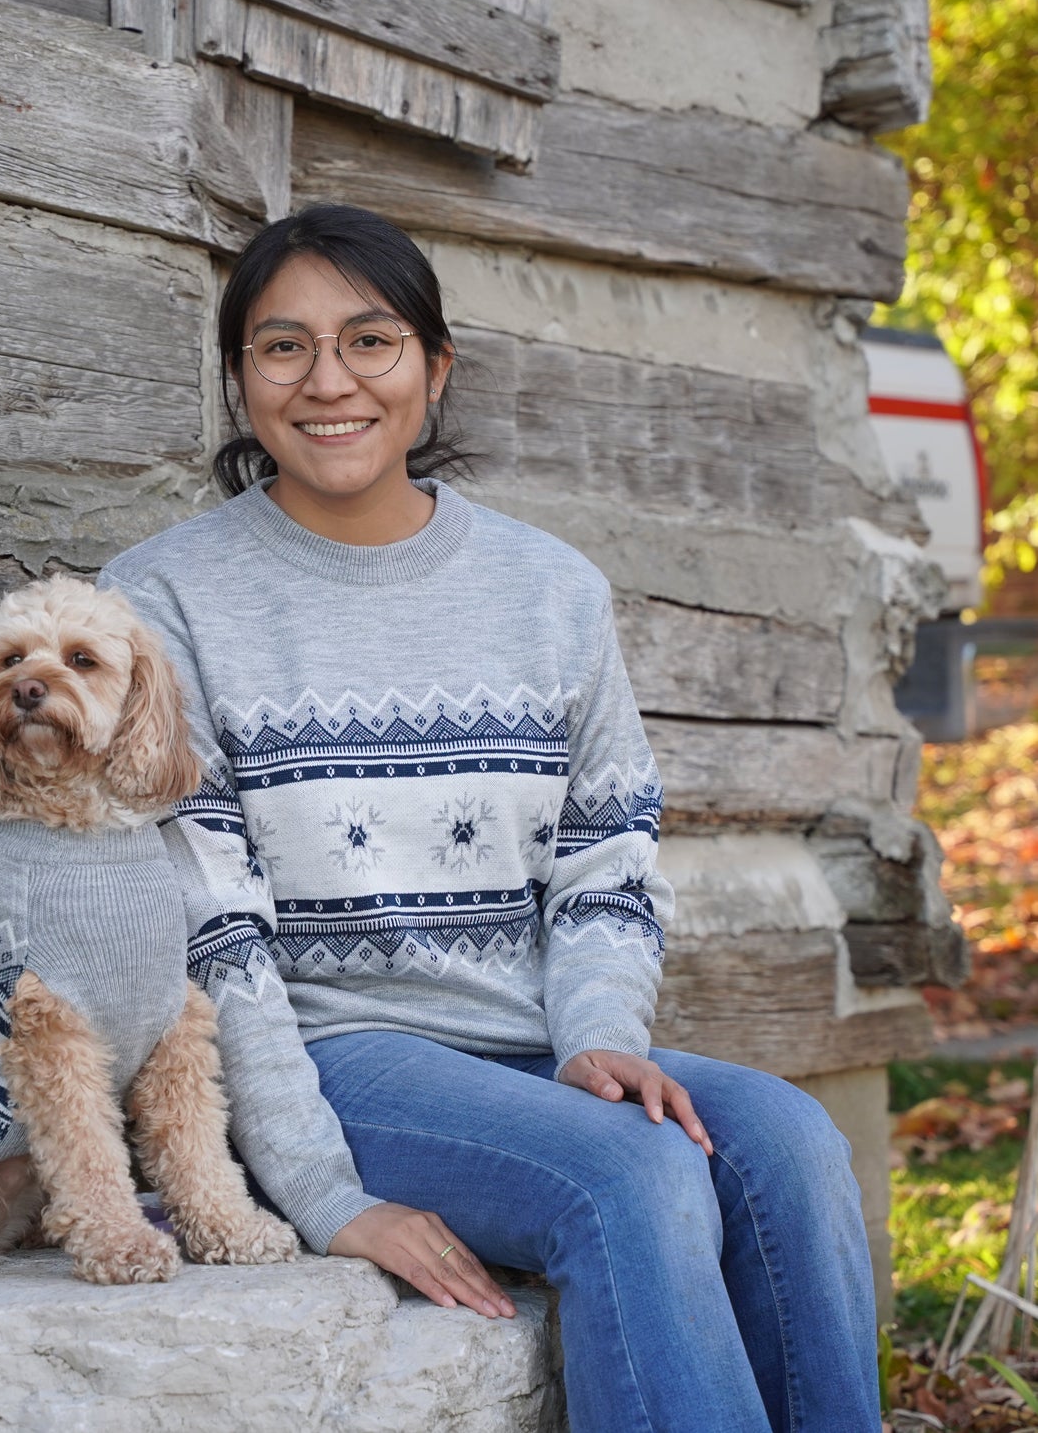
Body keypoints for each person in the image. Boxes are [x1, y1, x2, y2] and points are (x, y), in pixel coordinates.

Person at [98, 203, 881, 1433]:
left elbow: (604, 860)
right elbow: (207, 931)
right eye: (282, 346)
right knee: (631, 1176)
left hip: (524, 1046)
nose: (328, 381)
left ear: (434, 367)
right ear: (240, 378)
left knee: (788, 1141)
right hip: (326, 1052)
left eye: (369, 341)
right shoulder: (163, 598)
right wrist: (323, 1191)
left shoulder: (548, 589)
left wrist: (595, 1034)